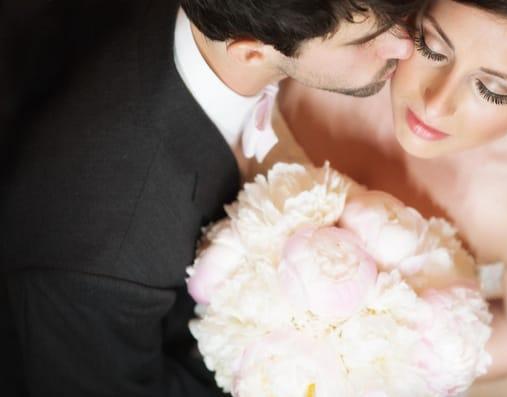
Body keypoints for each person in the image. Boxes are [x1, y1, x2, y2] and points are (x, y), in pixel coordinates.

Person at [0, 0, 420, 395]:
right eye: (367, 39)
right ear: (252, 52)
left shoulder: (229, 37)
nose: (405, 43)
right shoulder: (114, 260)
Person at [269, 0, 507, 381]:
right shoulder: (334, 24)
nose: (436, 104)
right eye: (430, 46)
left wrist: (363, 361)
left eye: (491, 91)